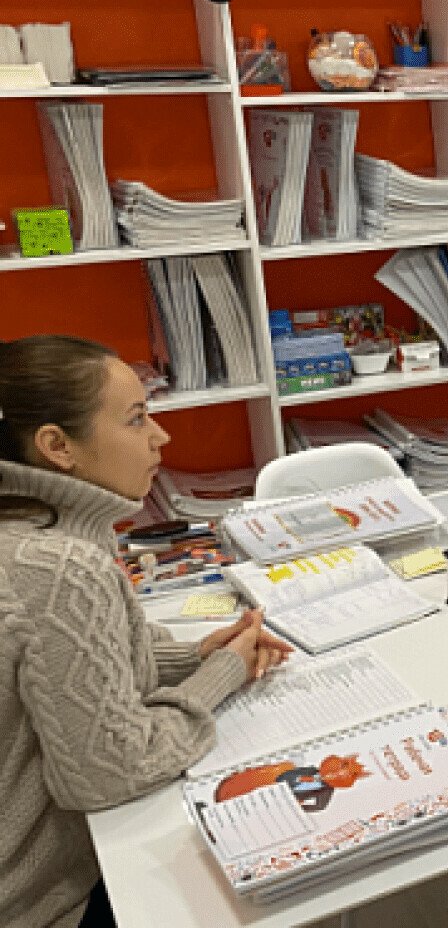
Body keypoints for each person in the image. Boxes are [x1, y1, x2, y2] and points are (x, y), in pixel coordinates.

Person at [0, 336, 289, 928]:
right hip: (47, 901)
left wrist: (196, 654)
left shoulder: (39, 528)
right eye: (136, 420)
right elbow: (112, 769)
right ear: (57, 446)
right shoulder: (58, 566)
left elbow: (69, 669)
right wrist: (225, 671)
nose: (161, 437)